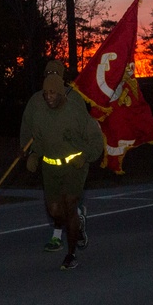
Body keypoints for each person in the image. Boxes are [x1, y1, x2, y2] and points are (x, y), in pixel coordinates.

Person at [23, 74, 105, 270]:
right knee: (55, 211)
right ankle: (78, 224)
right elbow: (39, 141)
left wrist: (84, 156)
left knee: (69, 202)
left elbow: (95, 140)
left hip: (74, 166)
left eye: (52, 92)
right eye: (45, 94)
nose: (49, 97)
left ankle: (71, 254)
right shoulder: (40, 115)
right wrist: (34, 155)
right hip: (50, 167)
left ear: (61, 93)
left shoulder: (76, 112)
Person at [20, 59, 90, 252]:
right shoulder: (36, 100)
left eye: (55, 73)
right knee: (55, 207)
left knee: (67, 199)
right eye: (48, 72)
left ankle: (59, 236)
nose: (52, 75)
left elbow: (85, 130)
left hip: (70, 160)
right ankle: (75, 220)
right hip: (48, 156)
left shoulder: (73, 98)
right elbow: (27, 128)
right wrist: (29, 152)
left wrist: (84, 154)